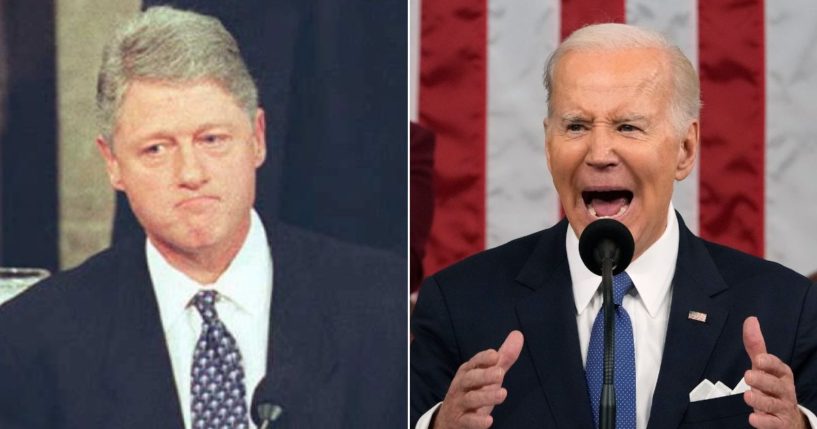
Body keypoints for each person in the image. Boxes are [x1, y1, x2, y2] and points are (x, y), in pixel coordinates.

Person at [0, 6, 404, 429]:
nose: (191, 174)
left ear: (257, 138)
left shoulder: (383, 309)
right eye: (157, 148)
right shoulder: (33, 342)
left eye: (212, 139)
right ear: (113, 163)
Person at [411, 23, 817, 429]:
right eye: (576, 127)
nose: (600, 153)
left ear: (685, 149)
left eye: (628, 126)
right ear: (549, 147)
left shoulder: (785, 309)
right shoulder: (459, 305)